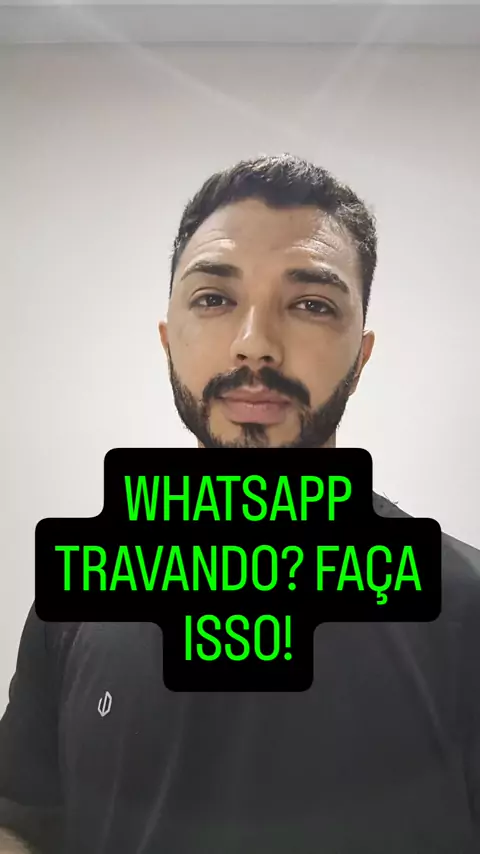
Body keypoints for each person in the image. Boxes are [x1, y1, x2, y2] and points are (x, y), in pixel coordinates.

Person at [0, 154, 479, 854]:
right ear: (168, 339)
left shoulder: (465, 602)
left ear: (361, 355)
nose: (255, 344)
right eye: (213, 299)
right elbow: (24, 819)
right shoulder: (72, 599)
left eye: (312, 304)